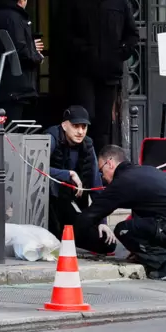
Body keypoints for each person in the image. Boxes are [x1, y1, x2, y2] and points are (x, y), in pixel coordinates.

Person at [78, 145, 166, 281]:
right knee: (143, 224)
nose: (102, 177)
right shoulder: (149, 171)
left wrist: (68, 237)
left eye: (101, 171)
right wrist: (141, 250)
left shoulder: (122, 181)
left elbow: (93, 213)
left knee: (123, 229)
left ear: (110, 163)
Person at [65, 0, 139, 148]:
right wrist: (82, 51)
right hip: (83, 72)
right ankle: (83, 165)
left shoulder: (120, 3)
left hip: (109, 74)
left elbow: (132, 34)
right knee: (84, 118)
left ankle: (101, 169)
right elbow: (66, 32)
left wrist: (120, 53)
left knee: (104, 124)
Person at [44, 106, 115, 256]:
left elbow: (96, 186)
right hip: (50, 205)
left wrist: (102, 223)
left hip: (75, 206)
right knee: (54, 240)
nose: (80, 131)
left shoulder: (88, 145)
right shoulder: (52, 138)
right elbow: (35, 168)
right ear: (64, 125)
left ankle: (68, 239)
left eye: (84, 127)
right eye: (75, 126)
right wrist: (68, 174)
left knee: (107, 243)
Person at [0, 0, 45, 124]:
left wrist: (31, 47)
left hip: (3, 83)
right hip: (17, 86)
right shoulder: (16, 18)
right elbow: (20, 51)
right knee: (15, 132)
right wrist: (37, 57)